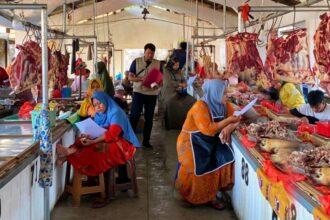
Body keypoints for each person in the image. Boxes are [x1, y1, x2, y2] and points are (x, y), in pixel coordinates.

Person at [56, 91, 140, 206]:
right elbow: (99, 130)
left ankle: (104, 191)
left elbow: (112, 134)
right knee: (83, 141)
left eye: (100, 104)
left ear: (105, 101)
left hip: (123, 143)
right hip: (107, 138)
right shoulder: (99, 114)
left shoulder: (115, 112)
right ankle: (69, 152)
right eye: (95, 105)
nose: (98, 107)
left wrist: (93, 140)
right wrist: (88, 135)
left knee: (98, 149)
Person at [175, 80, 240, 210]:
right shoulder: (200, 106)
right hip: (190, 142)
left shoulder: (224, 105)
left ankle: (211, 196)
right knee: (193, 168)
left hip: (209, 141)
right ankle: (187, 196)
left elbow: (238, 117)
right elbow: (208, 129)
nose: (227, 96)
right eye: (224, 93)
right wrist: (228, 121)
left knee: (215, 164)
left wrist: (229, 127)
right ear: (215, 93)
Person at [128, 43, 162, 148]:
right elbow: (130, 78)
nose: (150, 55)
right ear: (144, 52)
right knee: (135, 116)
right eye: (148, 53)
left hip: (152, 94)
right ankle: (130, 141)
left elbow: (161, 79)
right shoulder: (136, 62)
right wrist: (141, 79)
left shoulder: (158, 63)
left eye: (152, 53)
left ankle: (146, 141)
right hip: (138, 92)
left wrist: (158, 85)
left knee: (149, 117)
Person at [160, 57, 196, 129]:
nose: (177, 67)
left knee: (192, 100)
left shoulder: (179, 71)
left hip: (179, 91)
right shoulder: (166, 71)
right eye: (175, 65)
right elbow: (168, 83)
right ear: (171, 64)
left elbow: (183, 80)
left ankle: (185, 122)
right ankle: (172, 124)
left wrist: (185, 84)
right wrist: (179, 84)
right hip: (168, 92)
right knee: (171, 102)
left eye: (178, 65)